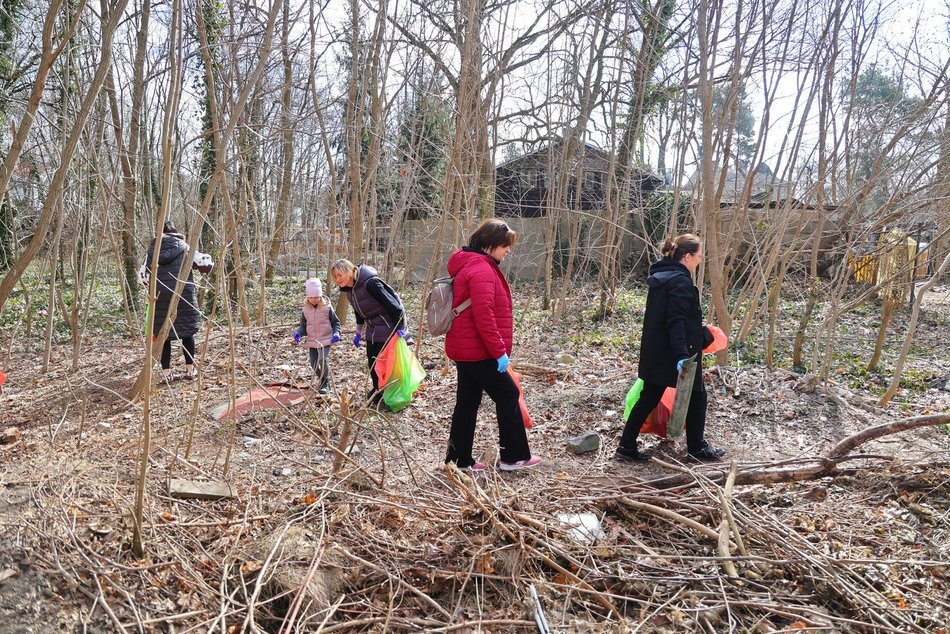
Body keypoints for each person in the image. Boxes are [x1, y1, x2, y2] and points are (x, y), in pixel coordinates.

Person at [616, 233, 726, 462]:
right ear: (687, 257)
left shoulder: (662, 277)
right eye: (698, 255)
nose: (700, 259)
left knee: (648, 397)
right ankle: (696, 449)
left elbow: (675, 319)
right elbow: (675, 322)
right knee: (697, 398)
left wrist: (702, 331)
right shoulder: (680, 282)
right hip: (677, 353)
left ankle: (626, 447)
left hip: (656, 352)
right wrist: (682, 356)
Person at [443, 218, 540, 472]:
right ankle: (514, 457)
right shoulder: (482, 269)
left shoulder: (471, 264)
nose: (508, 250)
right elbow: (484, 316)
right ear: (491, 244)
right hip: (479, 351)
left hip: (467, 350)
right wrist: (499, 353)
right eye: (505, 245)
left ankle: (458, 460)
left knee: (467, 402)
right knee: (508, 394)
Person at [141, 221, 213, 381]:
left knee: (164, 334)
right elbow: (206, 264)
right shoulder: (184, 246)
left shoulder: (152, 250)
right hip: (183, 294)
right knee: (187, 331)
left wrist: (153, 286)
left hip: (160, 297)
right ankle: (189, 370)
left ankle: (166, 374)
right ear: (175, 232)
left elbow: (142, 277)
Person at [330, 259, 407, 403]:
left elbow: (395, 307)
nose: (337, 279)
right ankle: (378, 389)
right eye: (335, 277)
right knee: (372, 360)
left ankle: (388, 393)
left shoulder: (371, 284)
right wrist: (358, 333)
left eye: (340, 275)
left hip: (387, 327)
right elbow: (359, 312)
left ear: (350, 271)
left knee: (383, 362)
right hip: (373, 329)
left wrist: (400, 329)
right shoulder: (349, 291)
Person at [293, 278, 341, 394]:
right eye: (311, 297)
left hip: (326, 339)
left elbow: (336, 322)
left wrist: (336, 333)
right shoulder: (305, 309)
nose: (313, 299)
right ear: (307, 297)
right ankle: (323, 379)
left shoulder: (327, 307)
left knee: (322, 359)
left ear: (320, 296)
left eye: (316, 297)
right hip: (312, 341)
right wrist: (298, 333)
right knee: (314, 363)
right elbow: (303, 326)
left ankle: (326, 383)